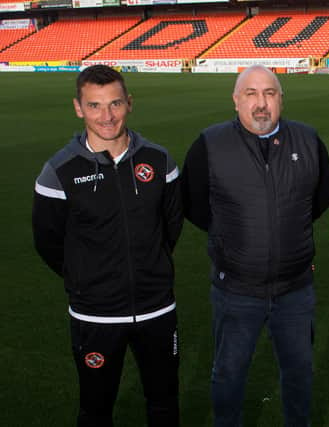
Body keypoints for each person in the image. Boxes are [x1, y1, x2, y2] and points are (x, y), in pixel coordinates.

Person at [181, 64, 329, 427]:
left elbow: (320, 199)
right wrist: (233, 234)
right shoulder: (209, 144)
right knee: (228, 375)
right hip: (235, 289)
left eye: (269, 93)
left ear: (282, 98)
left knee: (299, 374)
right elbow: (195, 205)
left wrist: (282, 229)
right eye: (251, 94)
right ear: (236, 101)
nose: (260, 103)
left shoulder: (309, 140)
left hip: (295, 290)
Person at [32, 64, 183, 427]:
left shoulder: (160, 161)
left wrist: (150, 265)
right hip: (95, 315)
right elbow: (48, 241)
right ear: (78, 107)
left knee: (164, 404)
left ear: (129, 103)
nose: (107, 116)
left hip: (156, 310)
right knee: (95, 410)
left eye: (115, 104)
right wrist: (84, 278)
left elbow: (170, 226)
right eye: (95, 105)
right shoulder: (59, 171)